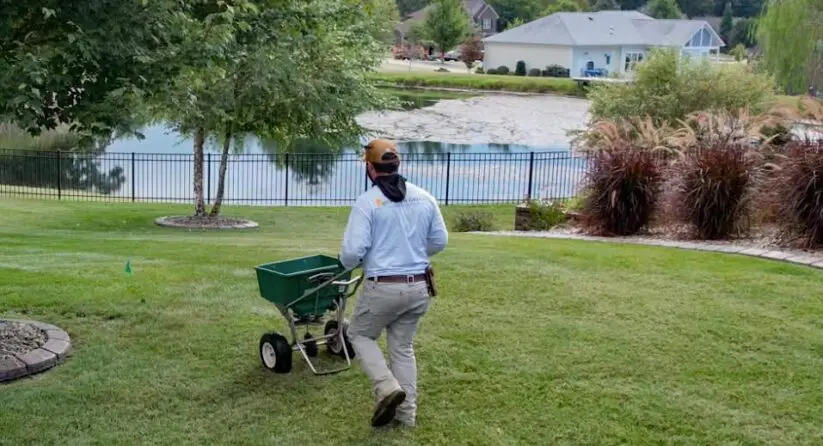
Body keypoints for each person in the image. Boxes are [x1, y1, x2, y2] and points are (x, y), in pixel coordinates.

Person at [339, 139, 448, 428]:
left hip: (383, 287)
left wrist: (356, 263)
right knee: (402, 348)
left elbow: (351, 253)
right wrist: (410, 256)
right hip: (418, 288)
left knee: (360, 335)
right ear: (397, 165)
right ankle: (407, 416)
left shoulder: (368, 203)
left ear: (370, 169)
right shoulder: (425, 197)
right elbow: (440, 240)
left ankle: (387, 387)